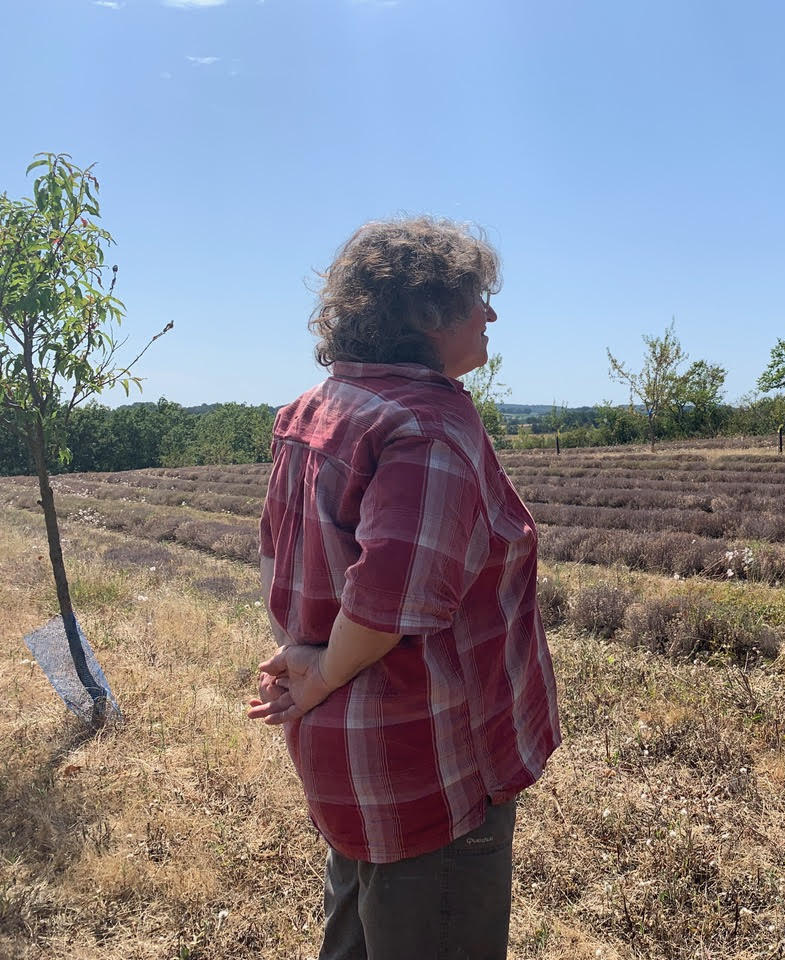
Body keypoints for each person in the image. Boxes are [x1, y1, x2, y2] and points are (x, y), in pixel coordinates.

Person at [248, 217, 561, 960]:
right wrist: (321, 672)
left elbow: (276, 563)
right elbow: (388, 600)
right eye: (476, 299)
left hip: (348, 755)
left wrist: (309, 657)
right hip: (429, 763)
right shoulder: (425, 426)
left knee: (356, 928)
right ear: (424, 314)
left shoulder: (313, 411)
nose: (490, 314)